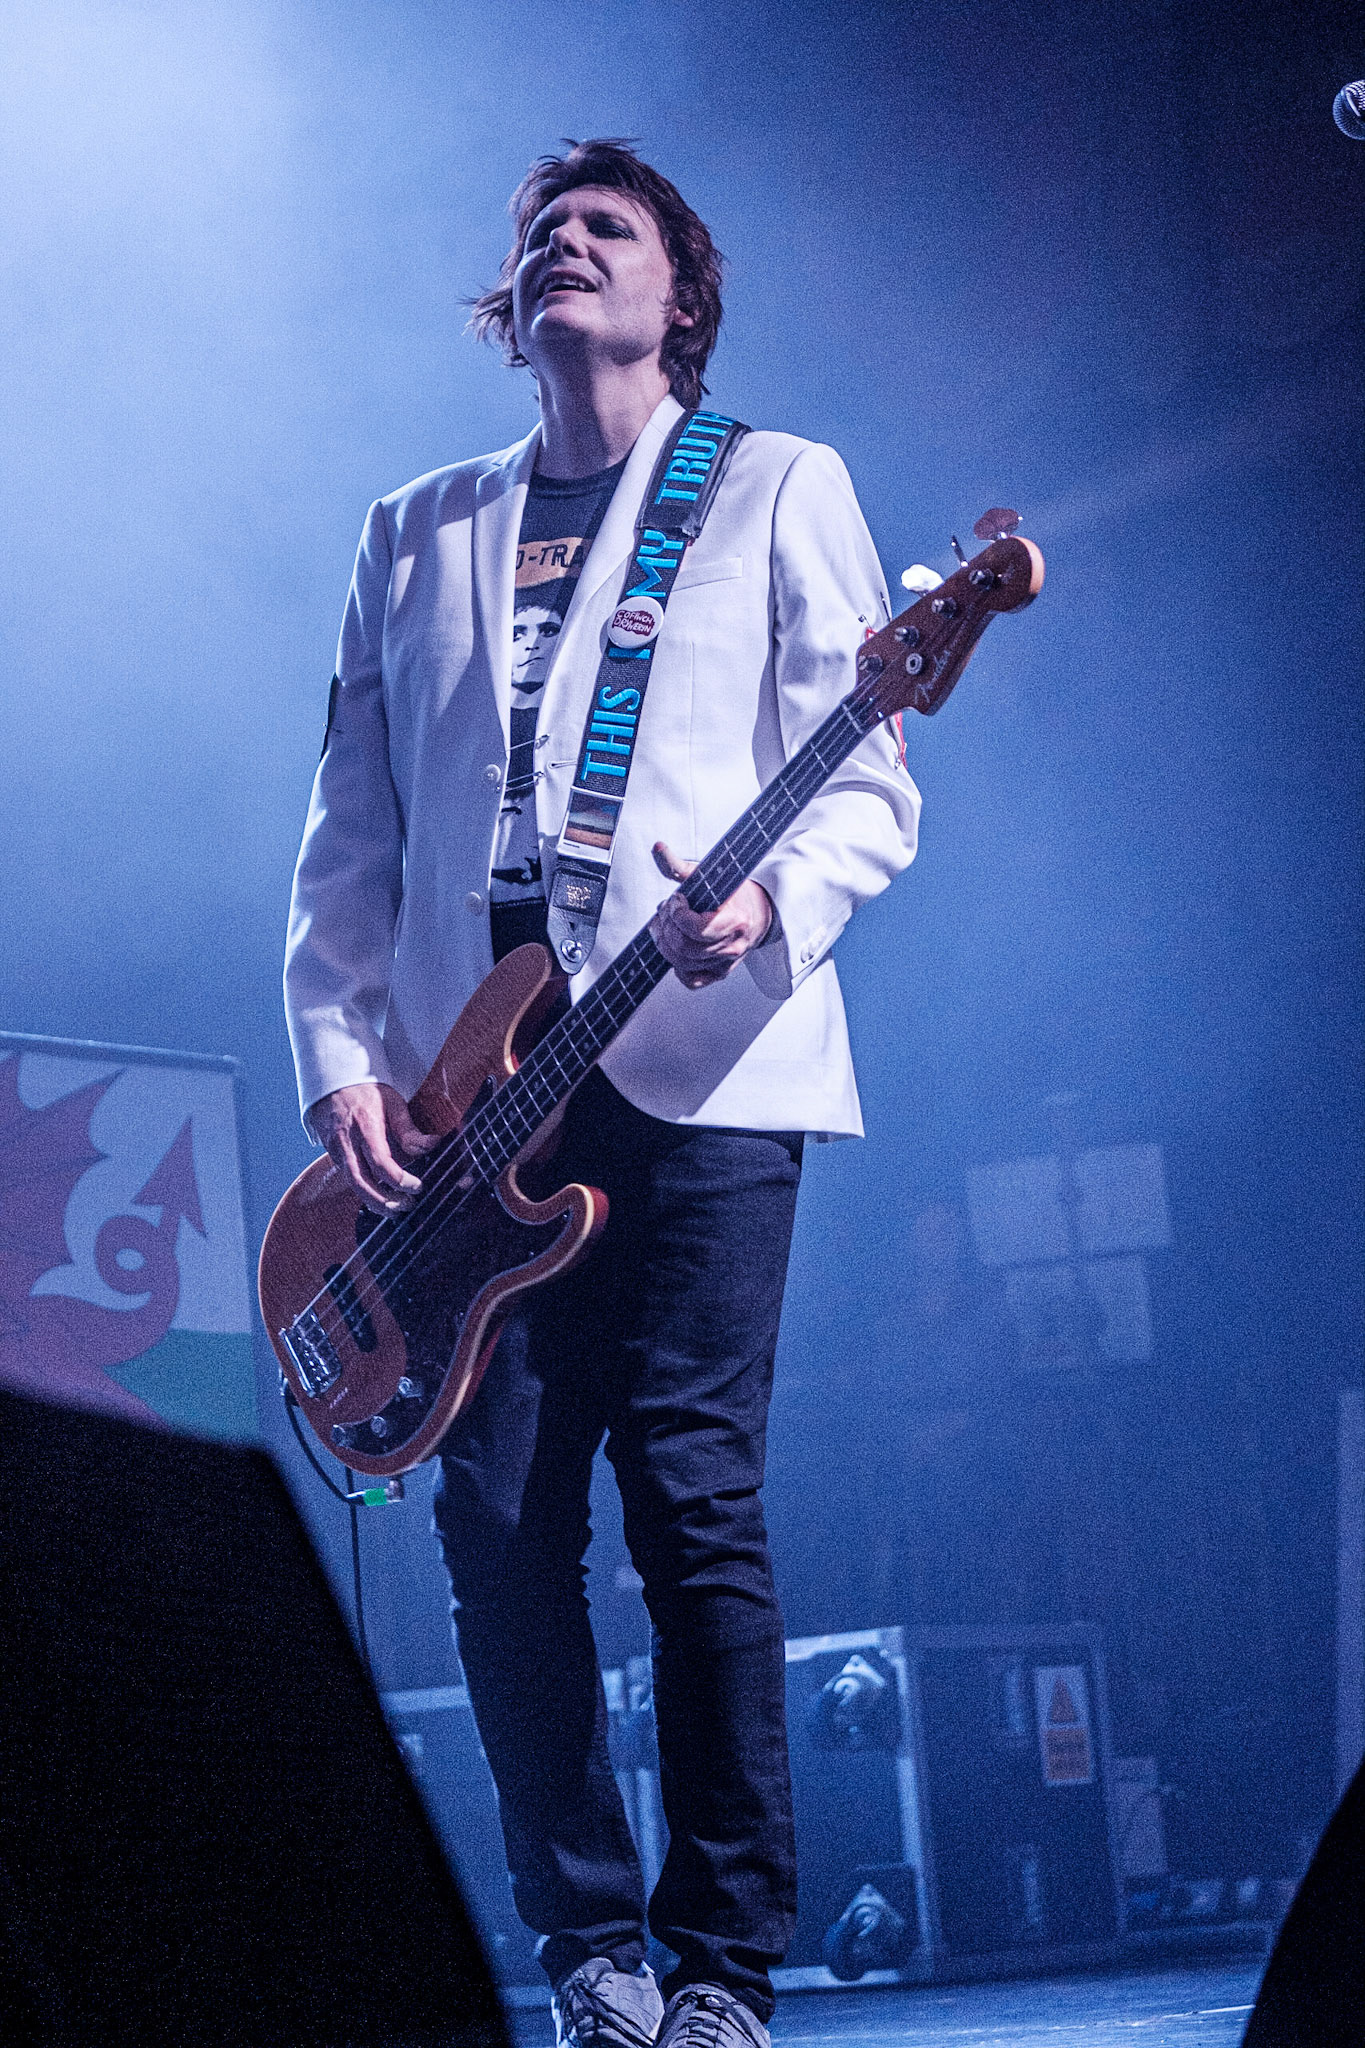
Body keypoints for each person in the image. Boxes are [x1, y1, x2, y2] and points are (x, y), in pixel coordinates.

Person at [283, 139, 920, 2048]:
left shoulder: (779, 486)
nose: (564, 242)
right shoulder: (414, 528)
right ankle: (590, 1954)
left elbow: (874, 778)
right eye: (540, 231)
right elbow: (347, 845)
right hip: (470, 1101)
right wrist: (338, 1064)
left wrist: (774, 900)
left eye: (609, 226)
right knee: (493, 1524)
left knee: (694, 1502)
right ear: (511, 306)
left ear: (682, 299)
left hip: (705, 1073)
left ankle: (726, 1967)